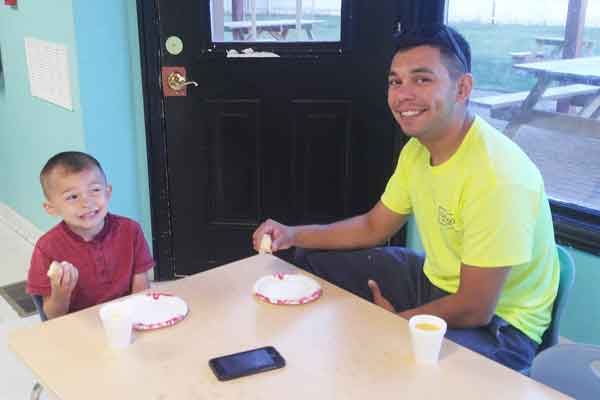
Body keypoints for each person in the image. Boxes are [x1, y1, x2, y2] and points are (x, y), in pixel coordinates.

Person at [252, 24, 559, 372]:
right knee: (311, 257)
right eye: (395, 81)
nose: (403, 95)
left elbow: (476, 306)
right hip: (436, 281)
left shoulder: (498, 176)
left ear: (463, 88)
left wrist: (398, 323)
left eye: (422, 79)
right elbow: (373, 226)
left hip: (501, 326)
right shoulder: (417, 151)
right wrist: (292, 234)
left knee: (397, 363)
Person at [27, 151, 154, 319]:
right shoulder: (47, 248)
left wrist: (137, 320)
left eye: (94, 190)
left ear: (107, 193)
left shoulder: (131, 230)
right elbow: (53, 317)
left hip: (124, 318)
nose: (86, 202)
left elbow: (141, 288)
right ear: (51, 208)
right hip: (78, 326)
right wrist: (61, 292)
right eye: (72, 196)